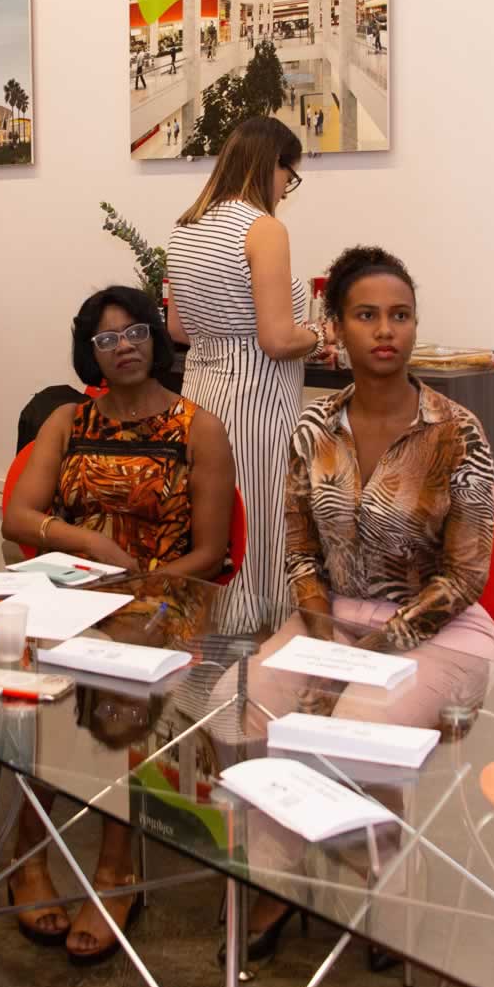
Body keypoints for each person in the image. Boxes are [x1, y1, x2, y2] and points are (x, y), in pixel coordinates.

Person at [212, 246, 494, 961]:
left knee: (351, 731)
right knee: (233, 709)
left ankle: (386, 876)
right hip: (328, 620)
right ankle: (280, 873)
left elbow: (466, 577)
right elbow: (299, 552)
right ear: (336, 329)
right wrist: (324, 636)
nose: (386, 330)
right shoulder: (313, 428)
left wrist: (368, 654)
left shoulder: (457, 431)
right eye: (367, 315)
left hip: (439, 630)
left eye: (400, 315)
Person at [0, 286, 237, 961]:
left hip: (169, 593)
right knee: (39, 674)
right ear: (90, 351)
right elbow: (18, 518)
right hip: (78, 590)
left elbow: (211, 552)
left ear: (155, 339)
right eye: (106, 338)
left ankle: (115, 868)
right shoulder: (67, 421)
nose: (123, 347)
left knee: (118, 677)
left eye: (134, 332)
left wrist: (144, 590)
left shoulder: (199, 428)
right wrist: (86, 543)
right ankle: (28, 850)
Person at [165, 117, 324, 626]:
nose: (285, 189)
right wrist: (322, 335)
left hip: (199, 391)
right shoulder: (264, 229)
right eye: (288, 176)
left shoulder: (185, 228)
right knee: (258, 517)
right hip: (256, 397)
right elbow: (277, 340)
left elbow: (178, 329)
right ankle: (254, 631)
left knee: (212, 518)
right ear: (271, 165)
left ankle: (207, 627)